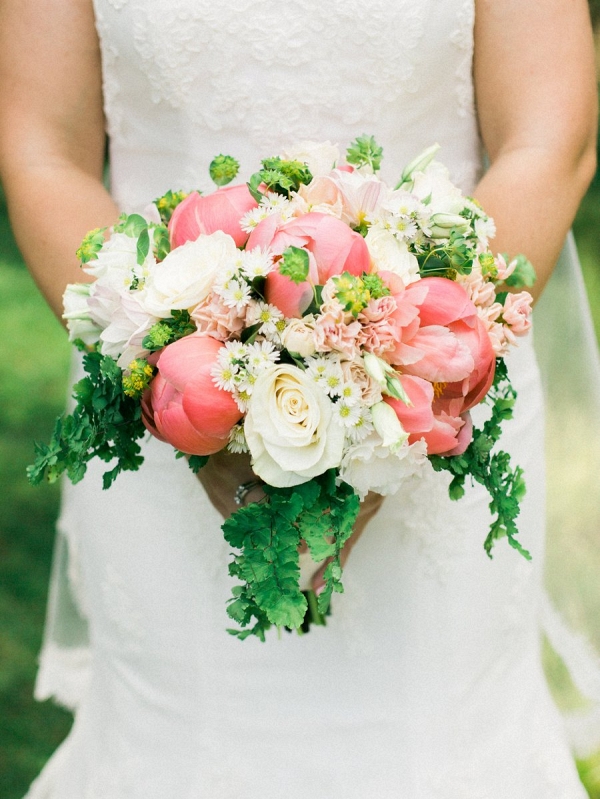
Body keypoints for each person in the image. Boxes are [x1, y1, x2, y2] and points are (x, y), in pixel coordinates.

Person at [0, 0, 597, 796]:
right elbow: (43, 151)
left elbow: (548, 141)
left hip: (438, 409)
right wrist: (176, 391)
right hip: (162, 412)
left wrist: (403, 406)